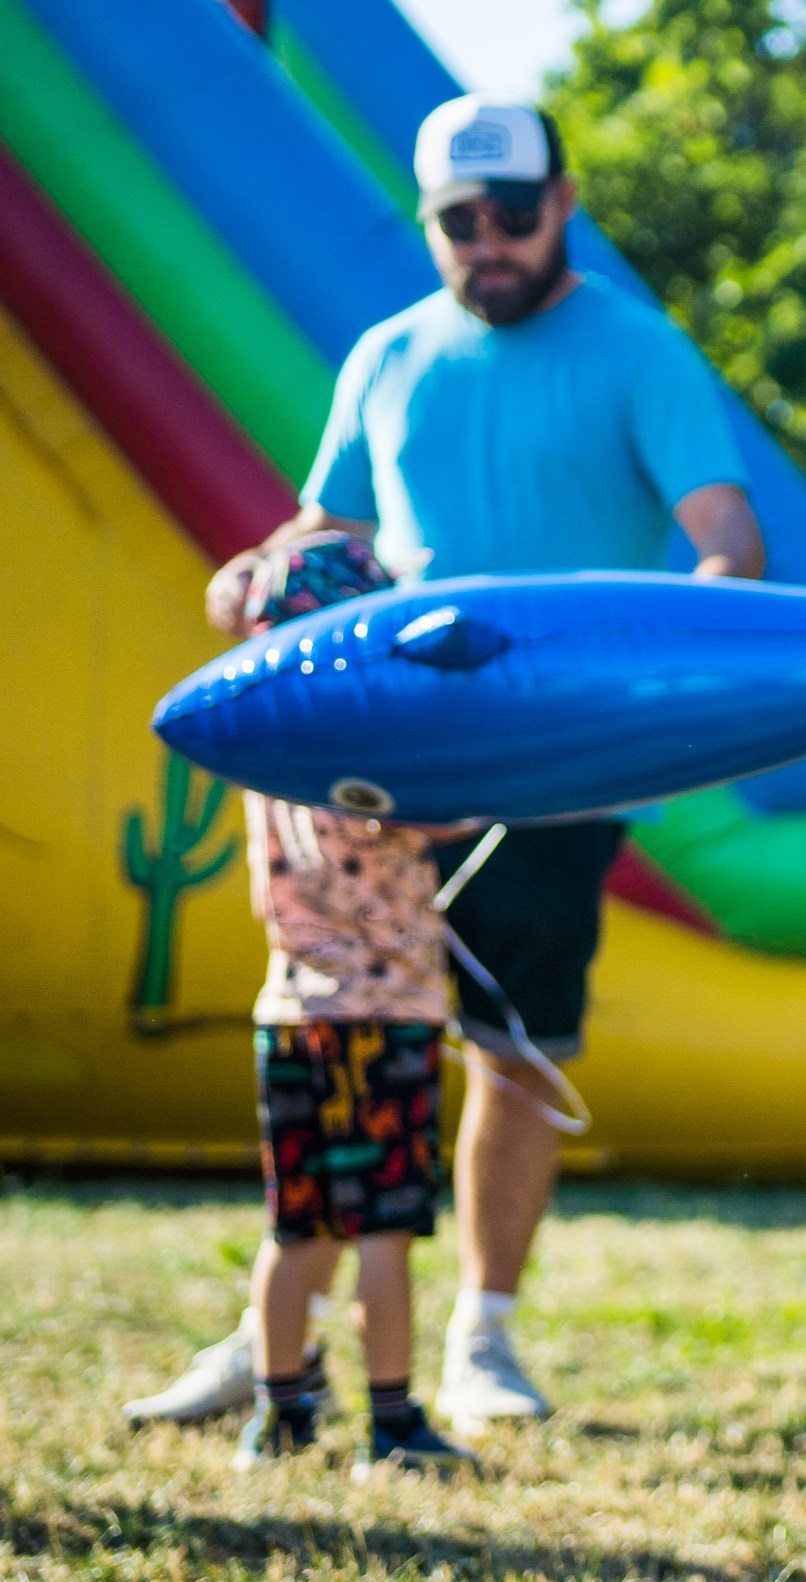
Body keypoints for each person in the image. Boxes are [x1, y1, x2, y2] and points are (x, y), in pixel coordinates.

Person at [127, 94, 764, 1437]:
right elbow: (329, 531)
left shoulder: (637, 351)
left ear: (565, 202)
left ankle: (483, 1337)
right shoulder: (388, 352)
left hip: (554, 772)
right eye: (459, 222)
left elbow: (729, 545)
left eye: (513, 215)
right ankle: (274, 1333)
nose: (489, 243)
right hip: (382, 781)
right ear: (431, 224)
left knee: (514, 1048)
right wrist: (260, 569)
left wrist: (670, 685)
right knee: (339, 1039)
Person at [229, 537, 477, 1479]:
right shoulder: (363, 739)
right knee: (382, 1227)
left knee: (295, 1226)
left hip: (291, 1013)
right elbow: (434, 811)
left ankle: (277, 1415)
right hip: (389, 1018)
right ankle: (392, 1423)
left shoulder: (260, 736)